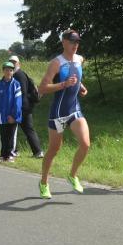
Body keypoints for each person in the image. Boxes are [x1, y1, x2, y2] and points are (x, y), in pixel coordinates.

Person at [37, 29, 89, 199]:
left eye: (77, 42)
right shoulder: (56, 63)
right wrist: (64, 84)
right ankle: (44, 183)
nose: (75, 45)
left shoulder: (80, 59)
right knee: (54, 149)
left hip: (74, 109)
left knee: (85, 144)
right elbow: (42, 88)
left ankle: (72, 175)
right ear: (64, 42)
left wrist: (80, 86)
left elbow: (76, 76)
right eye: (72, 41)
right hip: (58, 113)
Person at [9, 54, 44, 158]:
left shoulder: (19, 75)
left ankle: (15, 151)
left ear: (19, 64)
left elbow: (22, 93)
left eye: (14, 62)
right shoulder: (14, 75)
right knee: (25, 129)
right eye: (11, 62)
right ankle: (37, 152)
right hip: (24, 107)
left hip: (23, 107)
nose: (12, 64)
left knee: (15, 129)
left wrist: (19, 109)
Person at [0, 61, 23, 162]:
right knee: (3, 136)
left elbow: (18, 102)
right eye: (6, 70)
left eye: (11, 70)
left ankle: (10, 155)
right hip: (1, 116)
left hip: (12, 117)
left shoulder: (16, 84)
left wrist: (14, 116)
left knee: (11, 136)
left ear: (13, 72)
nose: (8, 72)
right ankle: (3, 155)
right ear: (3, 71)